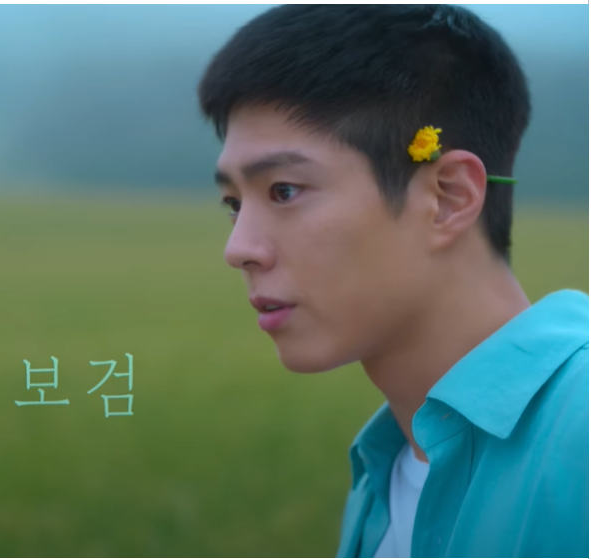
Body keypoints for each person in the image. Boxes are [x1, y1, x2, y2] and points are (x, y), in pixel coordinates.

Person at [196, 5, 589, 558]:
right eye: (234, 204)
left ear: (448, 197)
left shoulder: (581, 428)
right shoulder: (385, 471)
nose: (238, 249)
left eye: (284, 191)